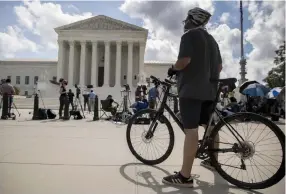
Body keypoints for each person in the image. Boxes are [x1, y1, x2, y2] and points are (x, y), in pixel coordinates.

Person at [163, 7, 222, 187]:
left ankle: (184, 176)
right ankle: (213, 161)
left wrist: (173, 68)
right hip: (210, 90)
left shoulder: (189, 36)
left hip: (191, 90)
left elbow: (184, 61)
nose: (184, 23)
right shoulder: (212, 41)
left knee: (191, 131)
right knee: (210, 127)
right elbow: (219, 68)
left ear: (192, 20)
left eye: (186, 19)